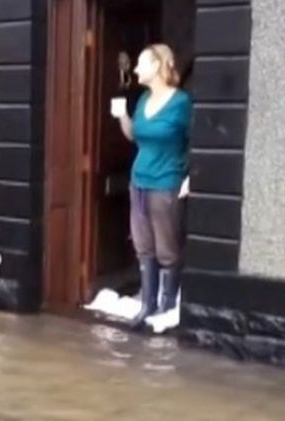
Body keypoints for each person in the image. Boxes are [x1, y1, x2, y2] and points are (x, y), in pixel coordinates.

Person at [113, 43, 192, 330]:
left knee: (167, 250)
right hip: (140, 183)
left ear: (158, 66)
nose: (135, 69)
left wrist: (190, 177)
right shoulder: (144, 99)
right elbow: (135, 135)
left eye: (141, 63)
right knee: (144, 247)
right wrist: (122, 115)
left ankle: (166, 306)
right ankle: (147, 305)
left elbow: (197, 141)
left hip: (166, 183)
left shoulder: (181, 103)